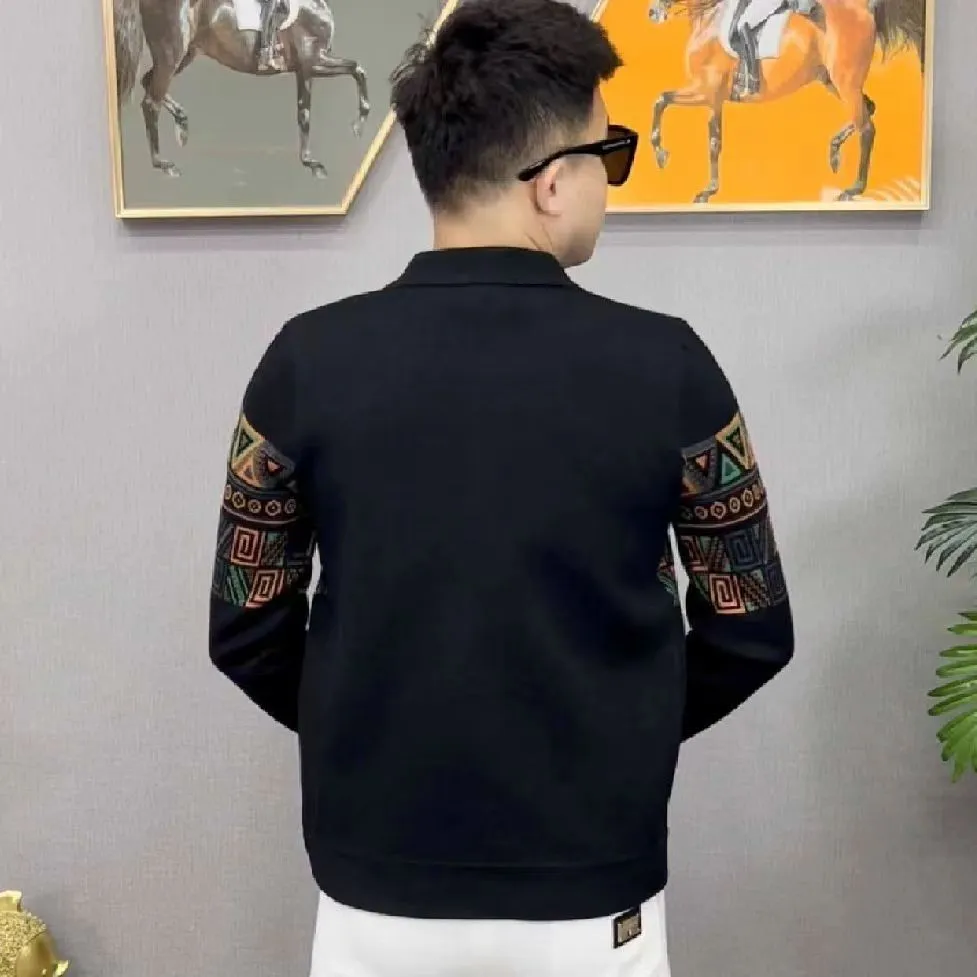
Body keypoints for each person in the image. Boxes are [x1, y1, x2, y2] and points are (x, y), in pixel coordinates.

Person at [207, 1, 795, 975]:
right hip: (590, 885)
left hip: (374, 886)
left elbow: (246, 625)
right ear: (552, 182)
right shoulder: (668, 366)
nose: (607, 182)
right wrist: (615, 731)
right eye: (607, 154)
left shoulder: (305, 361)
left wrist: (377, 722)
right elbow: (749, 626)